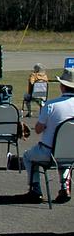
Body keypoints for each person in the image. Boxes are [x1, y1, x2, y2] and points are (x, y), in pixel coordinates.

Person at [21, 67, 74, 203]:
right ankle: (64, 186)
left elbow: (38, 129)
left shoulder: (51, 105)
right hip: (70, 151)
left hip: (48, 152)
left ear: (62, 87)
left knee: (28, 156)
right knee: (66, 157)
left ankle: (35, 189)